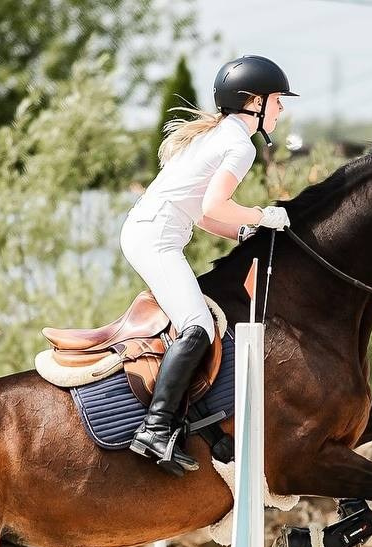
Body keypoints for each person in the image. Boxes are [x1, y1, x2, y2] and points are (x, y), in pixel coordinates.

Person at [121, 55, 296, 476]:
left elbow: (203, 215)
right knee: (197, 325)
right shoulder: (238, 145)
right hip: (155, 239)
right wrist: (261, 214)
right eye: (277, 100)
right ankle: (155, 428)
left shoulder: (221, 135)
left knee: (205, 323)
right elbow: (215, 204)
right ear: (253, 102)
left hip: (150, 234)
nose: (281, 108)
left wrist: (238, 235)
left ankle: (188, 421)